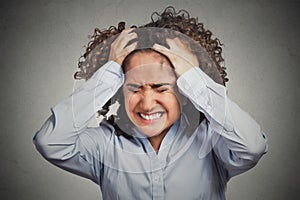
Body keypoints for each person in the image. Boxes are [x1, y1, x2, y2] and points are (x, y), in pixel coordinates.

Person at [33, 6, 267, 200]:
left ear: (184, 91)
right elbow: (51, 142)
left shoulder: (211, 142)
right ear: (118, 90)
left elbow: (252, 146)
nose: (146, 103)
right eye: (134, 88)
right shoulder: (105, 146)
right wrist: (110, 71)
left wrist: (192, 75)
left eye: (161, 88)